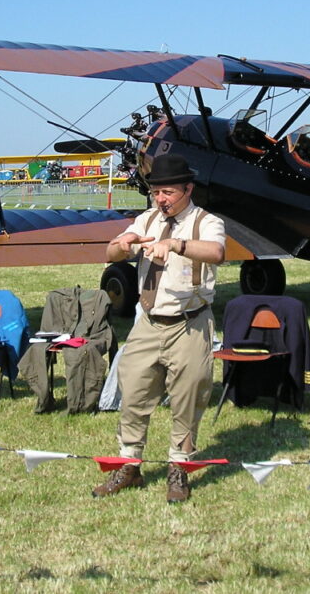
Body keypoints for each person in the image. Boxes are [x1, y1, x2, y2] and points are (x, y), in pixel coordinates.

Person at [93, 154, 226, 503]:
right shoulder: (148, 219)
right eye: (156, 193)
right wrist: (122, 246)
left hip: (190, 324)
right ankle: (129, 465)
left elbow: (216, 252)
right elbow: (111, 251)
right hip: (148, 323)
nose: (161, 199)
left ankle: (178, 469)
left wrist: (174, 244)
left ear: (188, 189)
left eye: (168, 192)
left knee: (188, 397)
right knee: (133, 393)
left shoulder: (205, 221)